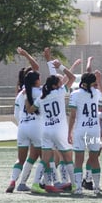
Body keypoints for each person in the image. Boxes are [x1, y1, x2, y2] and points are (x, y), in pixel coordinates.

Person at [27, 60, 77, 194]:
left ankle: (35, 184)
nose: (62, 84)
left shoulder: (41, 98)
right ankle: (75, 186)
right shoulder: (60, 92)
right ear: (55, 86)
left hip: (46, 130)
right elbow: (72, 77)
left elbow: (31, 110)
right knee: (67, 158)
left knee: (45, 160)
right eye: (59, 83)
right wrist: (60, 66)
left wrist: (27, 95)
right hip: (59, 129)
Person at [6, 47, 40, 193]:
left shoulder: (20, 93)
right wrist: (26, 54)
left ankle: (13, 181)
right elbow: (36, 67)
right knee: (38, 156)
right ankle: (30, 182)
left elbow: (17, 113)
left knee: (20, 159)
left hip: (22, 127)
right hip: (35, 126)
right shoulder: (38, 91)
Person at [68, 70, 102, 194]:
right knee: (94, 159)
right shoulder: (96, 93)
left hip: (80, 130)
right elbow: (101, 96)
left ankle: (78, 188)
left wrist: (69, 132)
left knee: (78, 159)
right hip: (94, 129)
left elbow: (72, 116)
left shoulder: (75, 94)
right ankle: (97, 187)